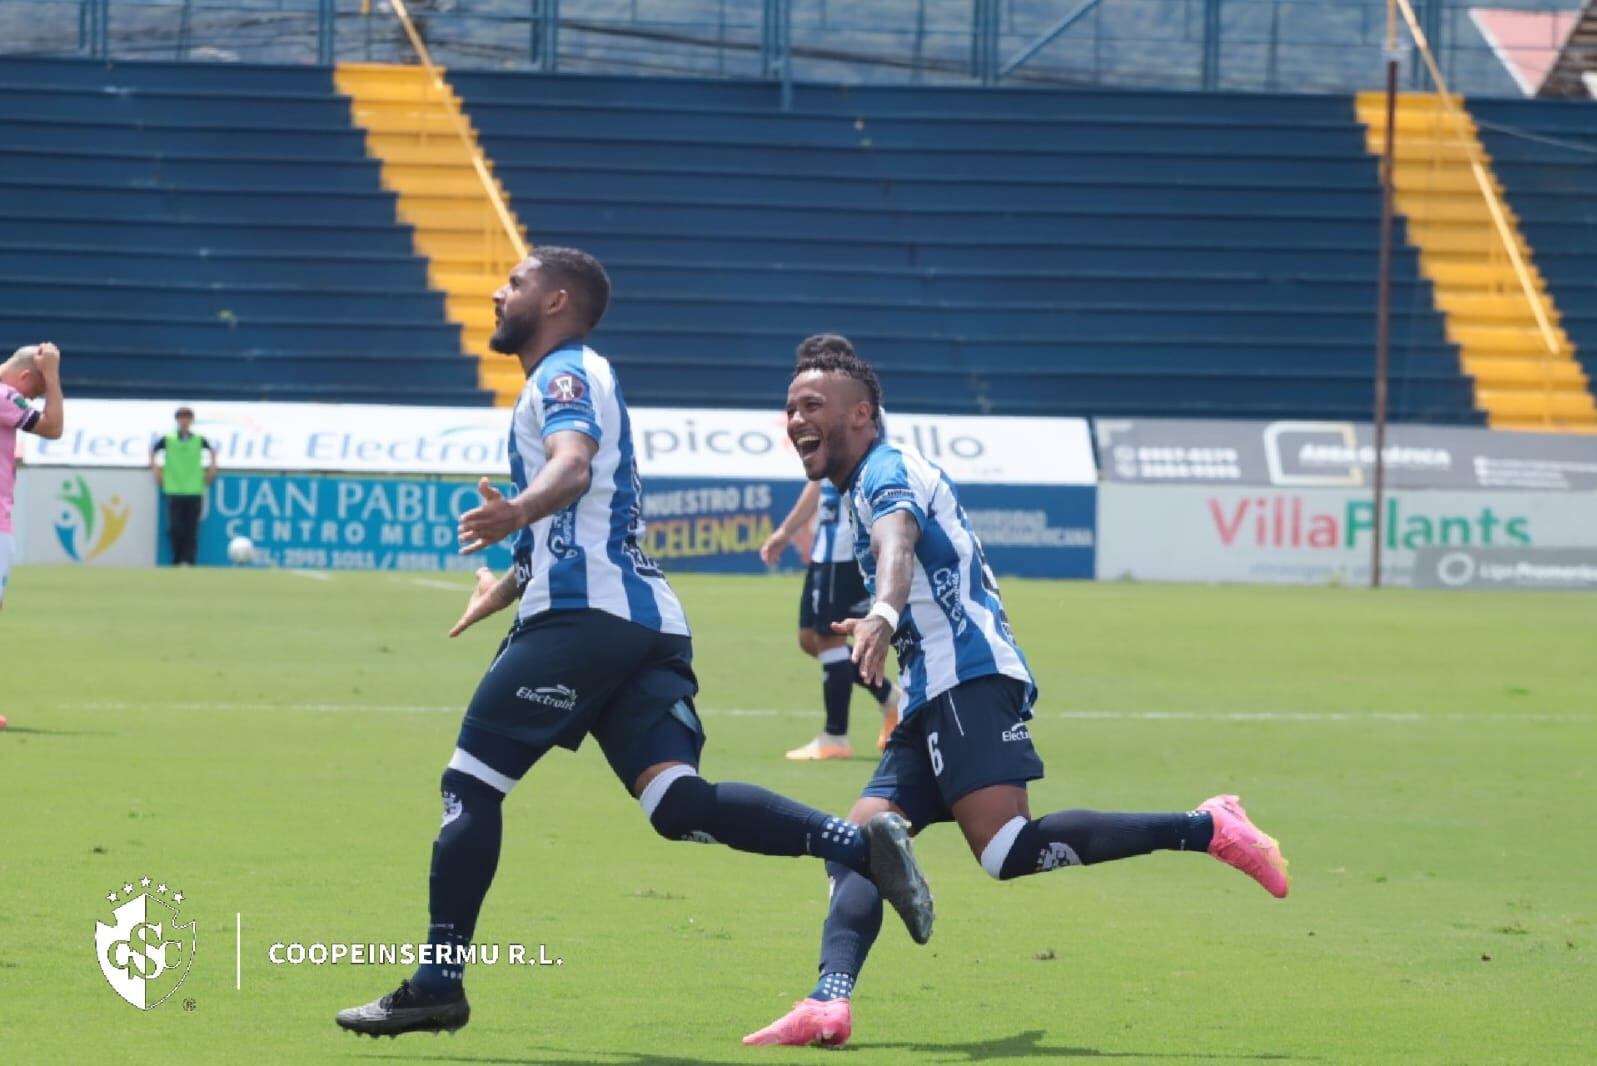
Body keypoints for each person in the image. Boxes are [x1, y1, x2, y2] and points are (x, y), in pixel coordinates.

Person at [335, 248, 934, 1040]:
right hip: (639, 621)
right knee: (675, 802)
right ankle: (855, 845)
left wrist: (516, 514)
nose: (494, 293)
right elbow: (584, 512)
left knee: (470, 786)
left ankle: (438, 983)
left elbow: (574, 469)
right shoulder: (568, 378)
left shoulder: (564, 376)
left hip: (587, 622)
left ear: (554, 301)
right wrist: (510, 579)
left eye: (511, 284)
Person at [743, 346, 1291, 1049]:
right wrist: (885, 618)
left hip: (969, 677)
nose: (795, 419)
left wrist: (882, 608)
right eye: (791, 407)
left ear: (860, 413)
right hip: (931, 689)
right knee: (856, 843)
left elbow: (898, 546)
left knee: (1005, 851)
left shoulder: (884, 473)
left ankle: (1208, 827)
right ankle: (828, 1001)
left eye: (811, 406)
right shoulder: (857, 487)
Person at [760, 335, 900, 761]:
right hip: (827, 546)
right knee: (812, 638)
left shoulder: (857, 416)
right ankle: (892, 699)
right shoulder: (828, 419)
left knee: (828, 637)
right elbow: (818, 482)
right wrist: (787, 531)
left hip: (845, 546)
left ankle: (835, 735)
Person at [0, 343, 66, 610]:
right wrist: (51, 374)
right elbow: (53, 427)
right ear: (25, 376)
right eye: (36, 393)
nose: (31, 401)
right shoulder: (5, 396)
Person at [149, 407, 218, 566]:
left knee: (191, 529)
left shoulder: (199, 439)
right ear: (177, 420)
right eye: (181, 418)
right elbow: (153, 451)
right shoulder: (169, 439)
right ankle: (177, 559)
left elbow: (213, 453)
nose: (184, 421)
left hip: (194, 489)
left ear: (191, 421)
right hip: (174, 488)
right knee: (175, 528)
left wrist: (212, 470)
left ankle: (190, 561)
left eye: (187, 418)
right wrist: (156, 470)